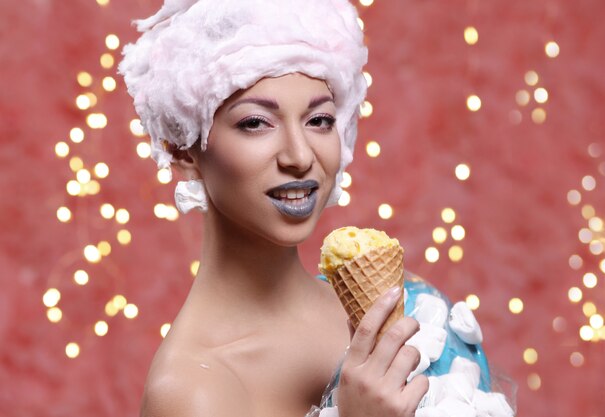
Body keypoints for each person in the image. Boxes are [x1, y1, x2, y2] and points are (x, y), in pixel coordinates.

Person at [119, 1, 512, 416]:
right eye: (255, 122)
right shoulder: (190, 391)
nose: (299, 155)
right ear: (182, 148)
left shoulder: (407, 306)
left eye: (319, 120)